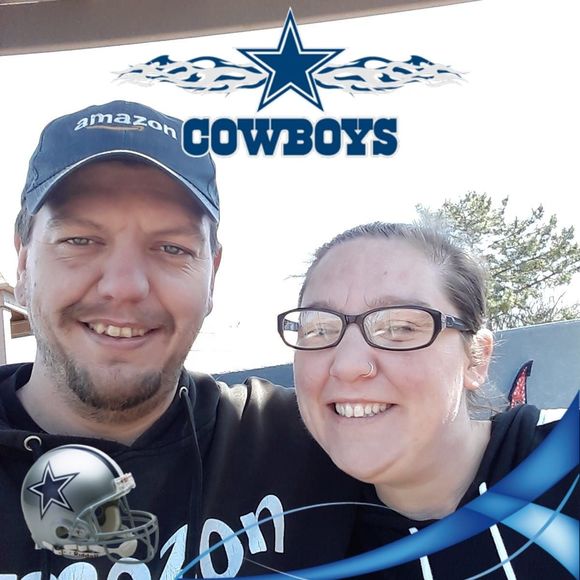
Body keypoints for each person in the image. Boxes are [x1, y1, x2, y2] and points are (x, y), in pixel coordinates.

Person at [0, 100, 362, 579]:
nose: (125, 286)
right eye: (79, 241)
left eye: (172, 248)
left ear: (213, 274)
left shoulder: (316, 443)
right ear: (23, 262)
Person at [277, 221, 579, 579]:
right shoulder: (298, 541)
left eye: (400, 328)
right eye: (319, 329)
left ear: (476, 359)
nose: (347, 365)